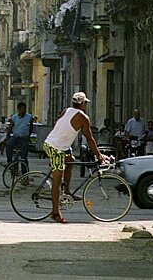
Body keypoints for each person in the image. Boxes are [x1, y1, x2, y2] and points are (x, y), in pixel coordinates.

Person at [43, 92, 105, 223]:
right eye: (85, 103)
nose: (85, 105)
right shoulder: (83, 117)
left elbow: (59, 124)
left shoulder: (66, 111)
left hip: (57, 144)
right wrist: (98, 155)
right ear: (82, 103)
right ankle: (55, 212)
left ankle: (67, 191)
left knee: (71, 160)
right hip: (55, 147)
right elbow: (89, 138)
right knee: (57, 180)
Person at [6, 102, 33, 175]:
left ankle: (25, 175)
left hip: (24, 138)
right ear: (18, 109)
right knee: (9, 145)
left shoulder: (29, 117)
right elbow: (10, 128)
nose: (24, 110)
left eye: (25, 108)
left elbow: (31, 127)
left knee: (23, 157)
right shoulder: (14, 117)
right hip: (16, 137)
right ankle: (9, 162)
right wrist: (7, 137)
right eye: (22, 109)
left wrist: (29, 136)